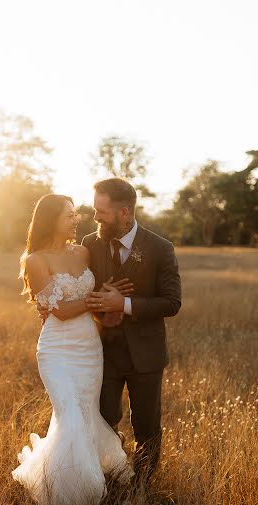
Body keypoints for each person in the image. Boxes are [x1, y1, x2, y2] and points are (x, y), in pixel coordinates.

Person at [11, 194, 134, 505]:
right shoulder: (35, 260)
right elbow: (61, 312)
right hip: (57, 351)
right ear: (50, 218)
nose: (76, 218)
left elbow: (85, 297)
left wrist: (105, 301)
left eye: (76, 212)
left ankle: (78, 481)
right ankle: (67, 495)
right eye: (69, 214)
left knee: (85, 413)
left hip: (89, 349)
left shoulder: (82, 251)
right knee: (70, 415)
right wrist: (97, 299)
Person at [82, 177, 182, 486]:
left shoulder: (160, 249)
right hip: (104, 352)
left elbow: (171, 302)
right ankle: (111, 479)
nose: (95, 216)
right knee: (104, 420)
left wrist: (122, 303)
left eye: (102, 211)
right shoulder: (89, 244)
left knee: (147, 426)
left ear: (125, 213)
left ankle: (142, 488)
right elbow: (85, 293)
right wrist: (102, 310)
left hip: (146, 356)